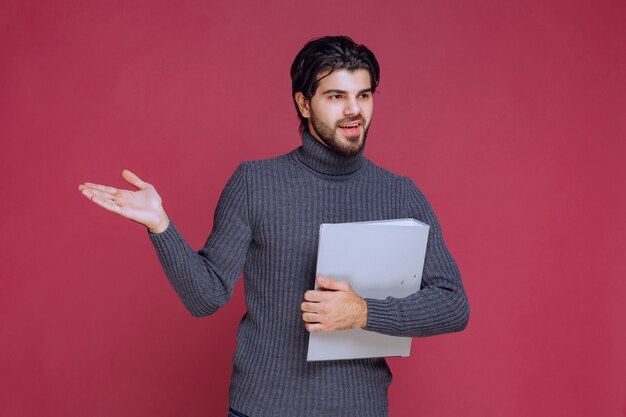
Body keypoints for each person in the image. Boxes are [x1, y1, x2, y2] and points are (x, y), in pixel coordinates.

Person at [79, 35, 469, 417]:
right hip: (262, 408)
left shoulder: (399, 193)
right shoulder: (255, 183)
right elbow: (206, 296)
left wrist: (363, 313)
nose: (354, 110)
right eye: (336, 96)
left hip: (359, 409)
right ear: (303, 103)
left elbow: (453, 305)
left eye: (363, 95)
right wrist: (160, 225)